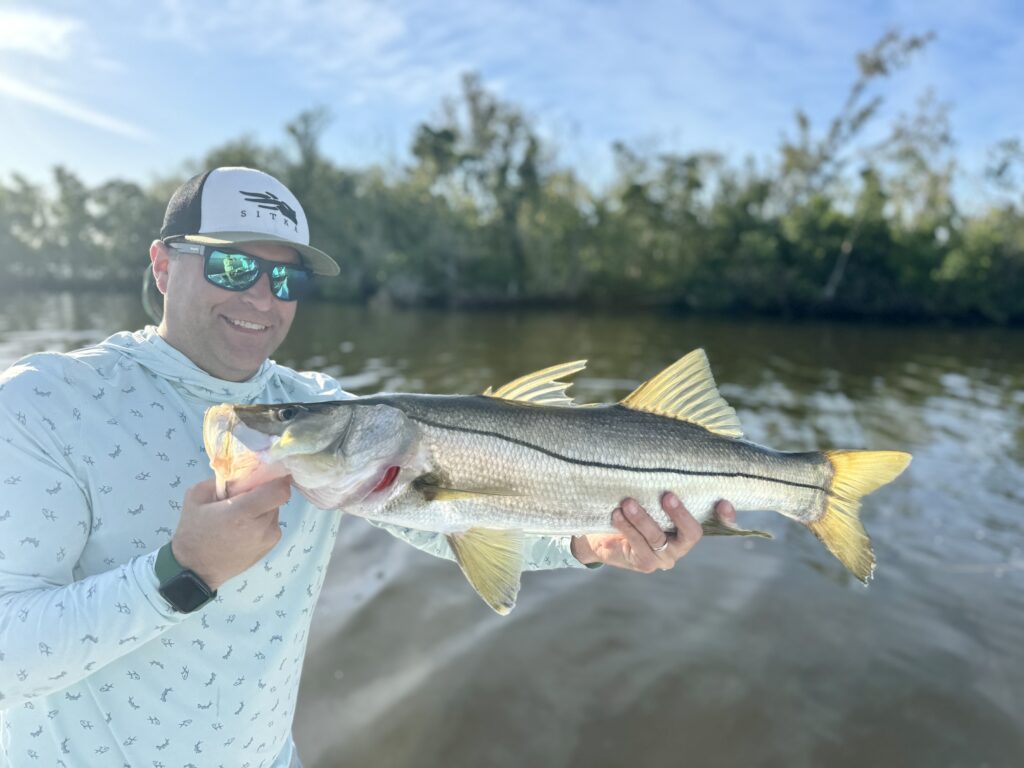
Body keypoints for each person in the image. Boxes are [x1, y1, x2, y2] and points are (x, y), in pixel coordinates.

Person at [0, 167, 735, 767]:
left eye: (285, 280)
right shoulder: (43, 404)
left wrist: (585, 544)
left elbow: (442, 518)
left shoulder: (324, 416)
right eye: (233, 264)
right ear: (163, 265)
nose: (262, 297)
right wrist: (184, 570)